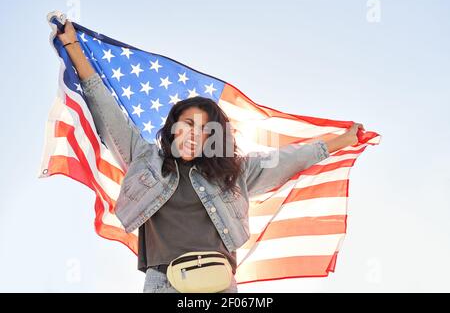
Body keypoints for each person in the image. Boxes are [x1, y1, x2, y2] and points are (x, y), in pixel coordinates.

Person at [56, 20, 364, 293]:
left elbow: (290, 158)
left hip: (219, 283)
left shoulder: (233, 172)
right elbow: (104, 107)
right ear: (173, 127)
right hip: (163, 282)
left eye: (205, 130)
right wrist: (72, 46)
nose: (195, 134)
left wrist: (342, 140)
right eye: (189, 124)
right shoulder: (143, 157)